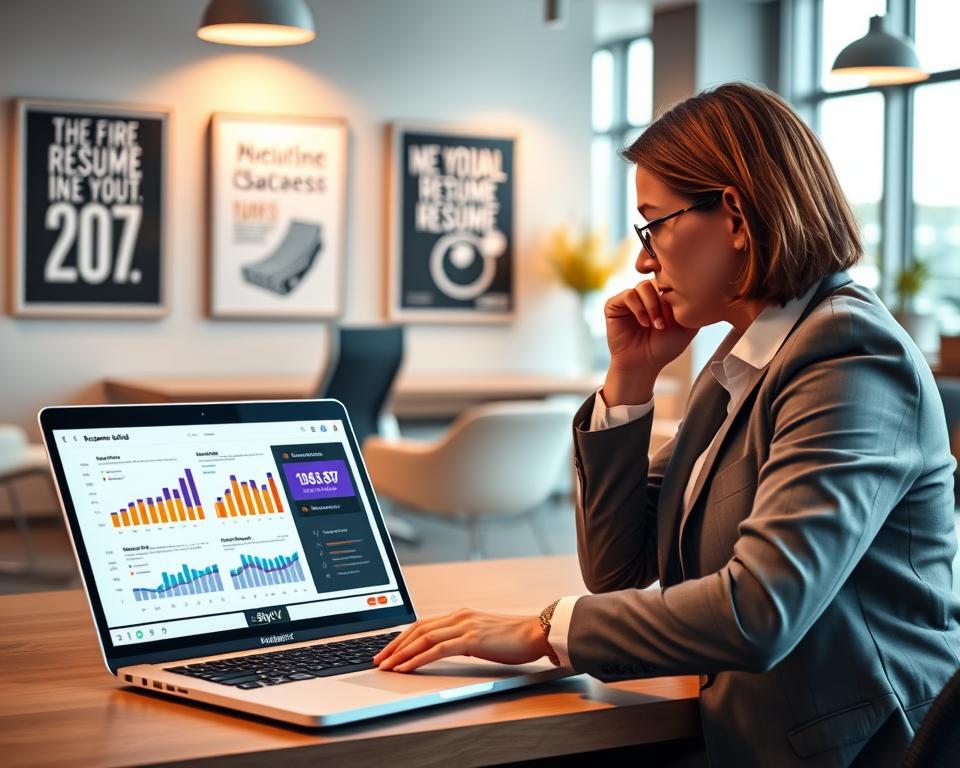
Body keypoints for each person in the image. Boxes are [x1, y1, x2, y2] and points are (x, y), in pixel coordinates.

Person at [373, 82, 960, 767]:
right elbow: (619, 566)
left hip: (856, 752)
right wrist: (629, 382)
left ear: (735, 216)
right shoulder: (744, 358)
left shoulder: (848, 357)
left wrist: (543, 630)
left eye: (653, 223)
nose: (644, 260)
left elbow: (759, 609)